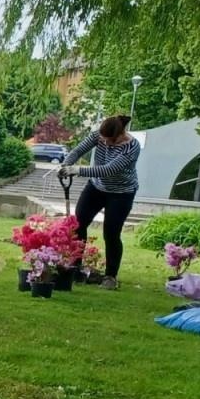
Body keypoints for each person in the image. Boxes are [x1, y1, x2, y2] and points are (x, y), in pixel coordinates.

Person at [61, 113, 140, 291]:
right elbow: (78, 151)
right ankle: (75, 268)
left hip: (121, 193)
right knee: (78, 225)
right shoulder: (99, 135)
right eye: (103, 140)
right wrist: (65, 165)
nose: (106, 143)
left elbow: (107, 170)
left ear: (120, 134)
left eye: (110, 141)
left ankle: (110, 276)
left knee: (111, 234)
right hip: (96, 188)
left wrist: (76, 169)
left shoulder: (132, 147)